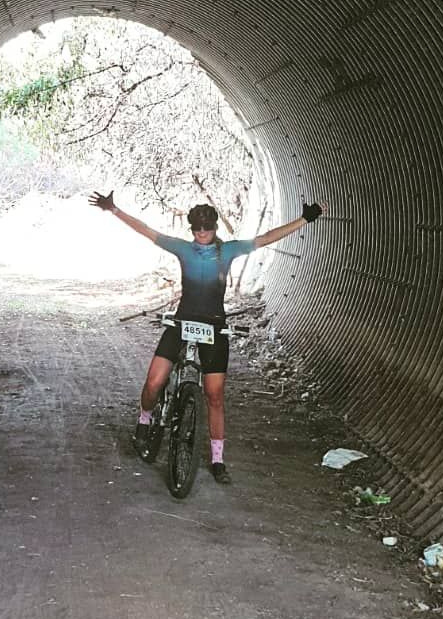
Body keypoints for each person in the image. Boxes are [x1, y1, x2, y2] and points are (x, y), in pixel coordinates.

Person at [89, 192, 324, 484]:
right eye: (197, 229)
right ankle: (144, 420)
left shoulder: (228, 251)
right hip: (182, 321)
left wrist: (304, 219)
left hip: (213, 326)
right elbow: (145, 230)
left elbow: (266, 238)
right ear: (192, 230)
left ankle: (217, 460)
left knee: (213, 396)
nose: (202, 233)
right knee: (154, 381)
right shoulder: (183, 249)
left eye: (207, 228)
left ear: (215, 228)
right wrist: (114, 209)